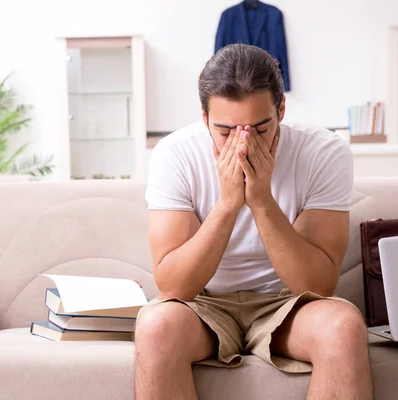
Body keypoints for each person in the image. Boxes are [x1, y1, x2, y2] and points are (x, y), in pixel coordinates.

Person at [134, 44, 373, 400]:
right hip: (203, 303)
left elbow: (319, 285)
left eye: (259, 130)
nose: (243, 145)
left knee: (343, 327)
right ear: (204, 119)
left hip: (289, 303)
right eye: (226, 132)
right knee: (155, 326)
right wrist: (228, 204)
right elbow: (173, 287)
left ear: (281, 110)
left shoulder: (323, 152)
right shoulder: (176, 154)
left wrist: (261, 200)